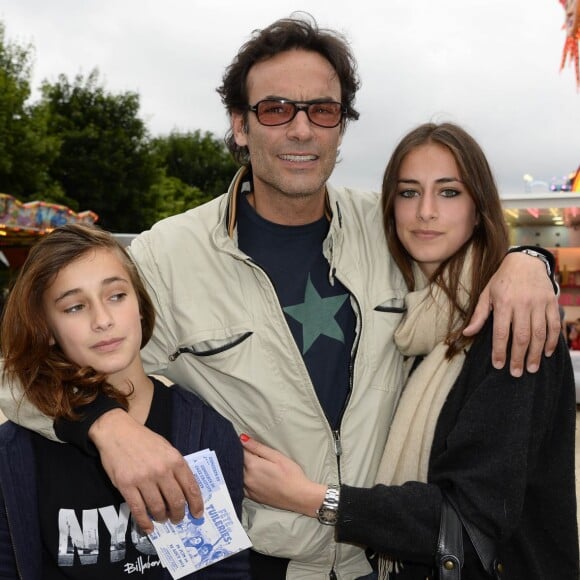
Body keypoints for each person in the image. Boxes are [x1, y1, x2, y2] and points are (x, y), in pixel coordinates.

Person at [0, 14, 562, 580]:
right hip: (264, 563)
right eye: (275, 110)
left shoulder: (391, 226)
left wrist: (530, 262)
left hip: (389, 558)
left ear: (341, 127)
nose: (301, 130)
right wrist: (106, 426)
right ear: (240, 125)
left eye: (322, 110)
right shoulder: (166, 258)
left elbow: (472, 263)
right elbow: (18, 371)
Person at [241, 123, 579, 579]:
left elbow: (472, 514)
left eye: (449, 192)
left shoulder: (511, 323)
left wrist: (308, 496)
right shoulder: (413, 317)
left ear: (479, 209)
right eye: (408, 192)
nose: (425, 212)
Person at [0, 224, 249, 579]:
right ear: (47, 331)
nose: (103, 320)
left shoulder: (202, 430)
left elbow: (222, 571)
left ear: (142, 308)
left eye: (116, 296)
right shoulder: (15, 452)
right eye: (74, 307)